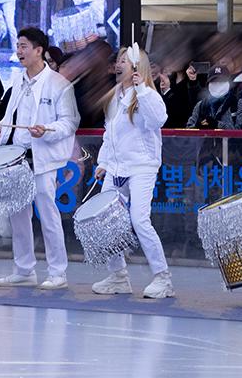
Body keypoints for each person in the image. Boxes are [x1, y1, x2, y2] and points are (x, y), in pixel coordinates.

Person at [0, 28, 78, 289]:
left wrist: (47, 130)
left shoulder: (59, 84)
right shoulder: (18, 80)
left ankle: (58, 271)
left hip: (42, 158)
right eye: (17, 46)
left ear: (39, 50)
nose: (18, 51)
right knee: (18, 215)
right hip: (17, 158)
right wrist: (3, 127)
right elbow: (12, 113)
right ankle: (24, 268)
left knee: (48, 214)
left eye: (23, 46)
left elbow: (70, 122)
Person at [92, 44, 175, 298]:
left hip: (142, 167)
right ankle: (118, 276)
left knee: (139, 220)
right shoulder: (114, 96)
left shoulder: (147, 94)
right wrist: (103, 161)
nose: (119, 65)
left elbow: (158, 120)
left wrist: (142, 89)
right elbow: (110, 134)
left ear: (138, 68)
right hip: (116, 167)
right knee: (107, 221)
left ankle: (163, 277)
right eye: (118, 60)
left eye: (125, 62)